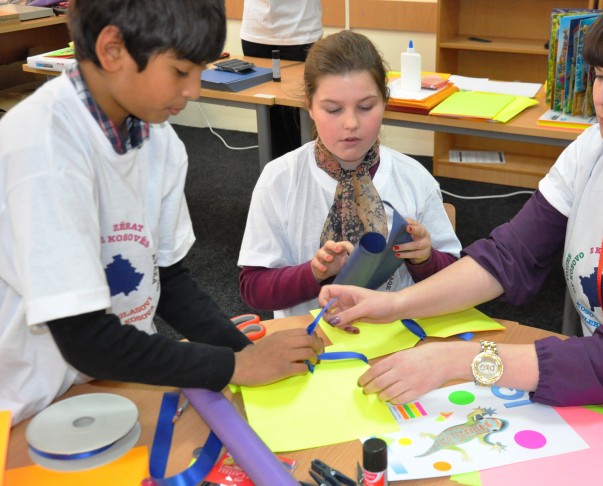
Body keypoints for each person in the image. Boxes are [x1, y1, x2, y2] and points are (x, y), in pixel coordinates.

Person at [319, 0, 603, 406]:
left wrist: (462, 361)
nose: (601, 97)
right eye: (599, 75)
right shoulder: (597, 146)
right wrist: (394, 304)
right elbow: (509, 256)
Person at [0, 0, 322, 426]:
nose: (193, 90)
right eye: (180, 71)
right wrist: (235, 367)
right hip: (28, 402)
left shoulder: (158, 140)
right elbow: (84, 339)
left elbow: (167, 277)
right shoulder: (43, 149)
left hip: (118, 374)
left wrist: (245, 353)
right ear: (113, 50)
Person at [238, 30, 461, 320]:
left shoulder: (414, 179)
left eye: (366, 107)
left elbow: (455, 280)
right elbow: (254, 288)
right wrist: (314, 272)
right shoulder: (279, 179)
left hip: (398, 339)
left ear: (385, 102)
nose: (351, 123)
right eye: (333, 109)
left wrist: (425, 259)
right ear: (310, 107)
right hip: (313, 343)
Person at [240, 0, 323, 159]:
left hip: (300, 32)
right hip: (256, 31)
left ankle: (308, 171)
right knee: (268, 117)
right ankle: (274, 172)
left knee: (300, 116)